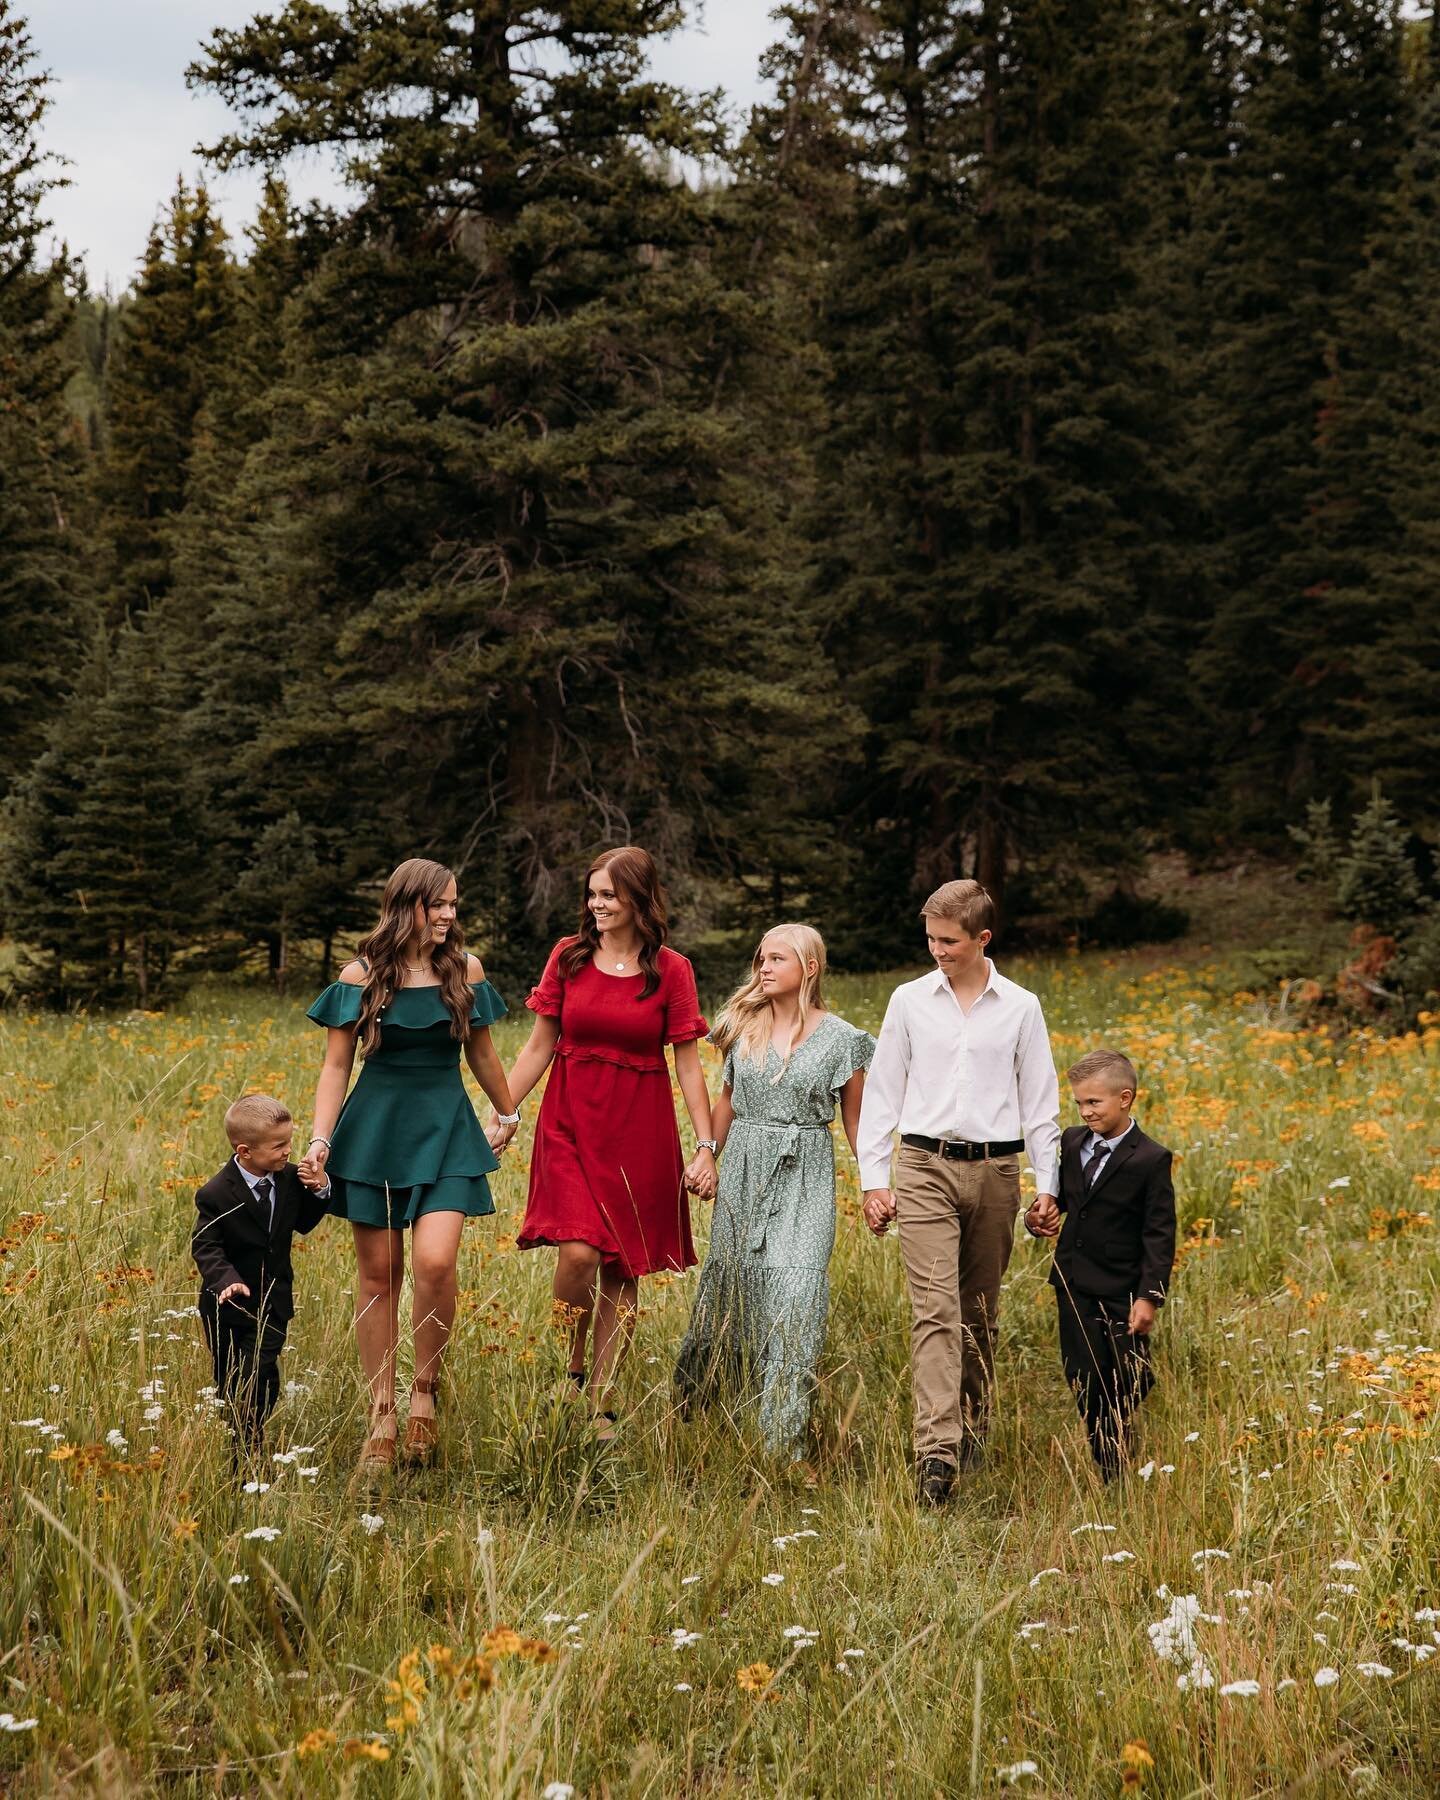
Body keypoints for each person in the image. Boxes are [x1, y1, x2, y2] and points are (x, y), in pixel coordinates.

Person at [300, 858, 519, 1471]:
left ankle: (424, 1394)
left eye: (454, 905)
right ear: (407, 907)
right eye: (439, 905)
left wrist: (508, 1114)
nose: (450, 916)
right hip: (374, 1131)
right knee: (380, 1275)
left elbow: (482, 1052)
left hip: (446, 1128)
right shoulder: (361, 974)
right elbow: (336, 1067)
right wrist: (321, 1140)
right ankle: (381, 1413)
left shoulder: (464, 971)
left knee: (435, 1261)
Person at [856, 879, 1060, 1506]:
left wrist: (1047, 1188)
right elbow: (884, 1091)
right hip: (924, 1168)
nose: (937, 951)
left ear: (982, 939)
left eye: (949, 941)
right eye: (931, 940)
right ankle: (935, 1456)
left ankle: (972, 1427)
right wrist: (874, 1179)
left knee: (978, 1313)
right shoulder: (909, 1001)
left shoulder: (1021, 1007)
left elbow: (1042, 1104)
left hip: (997, 1172)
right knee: (935, 1311)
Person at [501, 846, 716, 1439]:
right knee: (579, 1254)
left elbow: (690, 1067)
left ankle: (601, 1399)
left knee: (622, 1270)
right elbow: (539, 1046)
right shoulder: (568, 958)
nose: (596, 905)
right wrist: (503, 1110)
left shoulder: (671, 970)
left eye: (609, 895)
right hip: (569, 1121)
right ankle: (569, 1370)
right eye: (592, 894)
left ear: (639, 901)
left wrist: (705, 1146)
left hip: (640, 1131)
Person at [673, 924, 873, 1467]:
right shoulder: (743, 1026)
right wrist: (706, 1153)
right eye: (760, 957)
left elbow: (857, 1125)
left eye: (776, 959)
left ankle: (782, 1443)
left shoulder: (843, 1040)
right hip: (742, 1166)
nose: (762, 967)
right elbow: (728, 1101)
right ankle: (703, 1411)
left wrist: (878, 1184)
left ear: (809, 967)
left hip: (805, 1172)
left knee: (797, 1294)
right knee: (732, 1288)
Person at [1024, 1049, 1176, 1483]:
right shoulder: (1072, 1142)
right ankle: (1111, 1461)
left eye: (1094, 1103)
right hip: (1073, 1280)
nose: (1085, 1112)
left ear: (1125, 1098)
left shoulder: (1150, 1158)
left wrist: (1149, 1296)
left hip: (1123, 1286)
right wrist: (1038, 1218)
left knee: (1132, 1374)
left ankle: (1117, 1421)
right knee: (1084, 1375)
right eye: (1079, 1104)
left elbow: (1159, 1232)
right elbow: (1066, 1201)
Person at [191, 1094, 332, 1464]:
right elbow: (206, 1246)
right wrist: (226, 1281)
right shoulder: (216, 1193)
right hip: (226, 1306)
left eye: (289, 1141)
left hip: (273, 1301)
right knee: (229, 1379)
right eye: (279, 1145)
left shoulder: (287, 1180)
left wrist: (318, 1189)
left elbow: (302, 1224)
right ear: (245, 1150)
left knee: (259, 1375)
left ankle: (248, 1449)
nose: (289, 1151)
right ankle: (239, 1441)